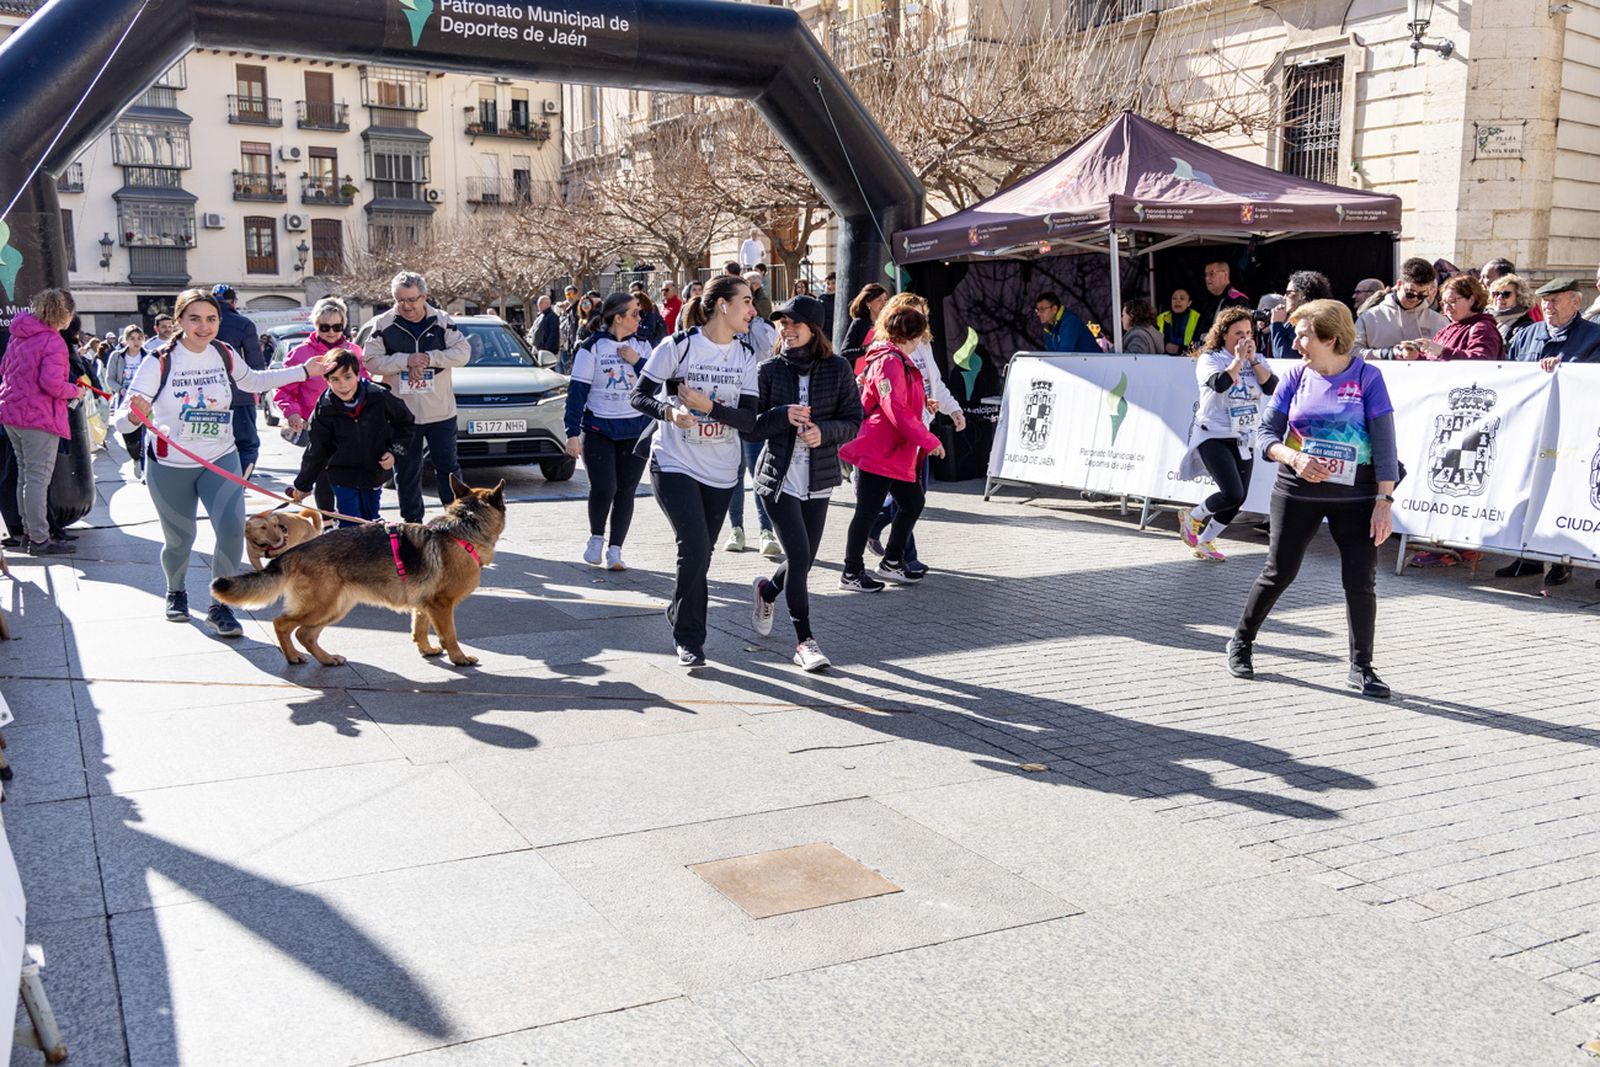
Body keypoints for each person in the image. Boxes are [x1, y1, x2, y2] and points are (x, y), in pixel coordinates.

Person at [116, 288, 329, 633]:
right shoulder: (159, 360)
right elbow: (122, 419)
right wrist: (134, 417)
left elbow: (256, 381)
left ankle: (221, 605)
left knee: (231, 533)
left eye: (211, 318)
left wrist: (304, 371)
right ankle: (176, 591)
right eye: (194, 319)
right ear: (179, 321)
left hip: (220, 457)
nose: (204, 326)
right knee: (179, 540)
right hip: (172, 465)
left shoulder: (223, 352)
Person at [1227, 299, 1398, 699]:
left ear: (1330, 338)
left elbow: (1386, 444)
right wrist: (1293, 457)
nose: (1296, 340)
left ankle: (1362, 667)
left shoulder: (1368, 377)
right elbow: (1265, 435)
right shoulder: (1294, 377)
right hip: (1297, 490)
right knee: (1279, 571)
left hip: (1354, 497)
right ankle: (1241, 641)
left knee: (1361, 580)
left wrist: (1383, 501)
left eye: (1303, 334)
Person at [630, 275, 762, 668]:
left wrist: (709, 407)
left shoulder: (745, 357)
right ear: (723, 305)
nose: (753, 310)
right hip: (675, 462)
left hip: (722, 469)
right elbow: (638, 395)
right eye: (746, 301)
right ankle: (690, 639)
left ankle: (677, 610)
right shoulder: (679, 346)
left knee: (702, 555)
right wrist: (668, 412)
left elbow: (750, 420)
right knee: (694, 547)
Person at [747, 294, 863, 671]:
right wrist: (783, 415)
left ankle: (767, 590)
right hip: (777, 478)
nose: (786, 330)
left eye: (794, 324)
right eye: (782, 324)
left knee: (805, 560)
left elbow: (853, 420)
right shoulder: (768, 370)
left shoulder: (838, 368)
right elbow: (753, 427)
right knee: (798, 557)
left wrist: (823, 432)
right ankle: (804, 642)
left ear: (813, 329)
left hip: (819, 476)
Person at [838, 301, 947, 591]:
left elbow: (896, 401)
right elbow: (894, 408)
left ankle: (891, 561)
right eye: (919, 338)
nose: (919, 344)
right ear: (910, 337)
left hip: (892, 450)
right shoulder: (890, 360)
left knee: (911, 502)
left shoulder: (894, 358)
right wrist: (929, 439)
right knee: (869, 511)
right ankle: (851, 571)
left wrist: (923, 403)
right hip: (880, 449)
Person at [1498, 278, 1600, 585]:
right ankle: (1527, 557)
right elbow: (1508, 371)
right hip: (1531, 428)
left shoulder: (1594, 336)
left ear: (1575, 302)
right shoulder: (1527, 334)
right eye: (1545, 301)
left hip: (1572, 432)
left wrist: (1566, 367)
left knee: (1566, 494)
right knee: (1528, 490)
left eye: (1555, 300)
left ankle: (1563, 560)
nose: (1548, 307)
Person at [864, 293, 965, 576]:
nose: (921, 322)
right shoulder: (887, 352)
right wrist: (925, 434)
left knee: (912, 498)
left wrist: (951, 409)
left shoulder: (924, 344)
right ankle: (901, 558)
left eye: (923, 315)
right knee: (909, 500)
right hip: (901, 437)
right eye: (915, 315)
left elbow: (933, 384)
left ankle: (881, 532)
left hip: (921, 430)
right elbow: (894, 402)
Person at [360, 271, 471, 524]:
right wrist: (405, 361)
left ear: (424, 297)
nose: (406, 306)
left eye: (412, 299)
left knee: (449, 471)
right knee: (407, 473)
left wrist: (430, 358)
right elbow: (371, 361)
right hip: (402, 415)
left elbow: (463, 353)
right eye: (400, 300)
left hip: (440, 412)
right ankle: (412, 526)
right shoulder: (383, 324)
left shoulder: (442, 321)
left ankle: (457, 523)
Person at [1177, 307, 1278, 562]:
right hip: (1213, 434)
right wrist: (1237, 360)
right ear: (1223, 334)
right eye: (1237, 334)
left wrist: (1253, 361)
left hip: (1244, 436)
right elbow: (1220, 383)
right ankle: (1194, 517)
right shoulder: (1210, 358)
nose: (1244, 339)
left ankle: (1205, 541)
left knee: (1238, 499)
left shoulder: (1257, 359)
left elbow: (1271, 387)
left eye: (1248, 333)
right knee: (1231, 492)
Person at [565, 291, 652, 570]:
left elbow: (657, 384)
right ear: (618, 318)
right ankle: (596, 538)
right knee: (605, 487)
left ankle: (616, 550)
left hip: (635, 430)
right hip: (599, 428)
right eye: (634, 313)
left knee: (626, 490)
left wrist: (636, 361)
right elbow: (577, 392)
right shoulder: (591, 347)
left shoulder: (644, 346)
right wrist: (572, 433)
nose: (640, 318)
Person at [287, 348, 412, 526]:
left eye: (347, 377)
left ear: (357, 374)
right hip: (341, 473)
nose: (343, 385)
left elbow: (406, 424)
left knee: (370, 521)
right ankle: (349, 550)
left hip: (374, 470)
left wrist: (394, 453)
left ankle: (369, 552)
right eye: (335, 379)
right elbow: (317, 449)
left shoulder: (379, 396)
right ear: (326, 380)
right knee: (351, 524)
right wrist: (303, 485)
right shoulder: (325, 408)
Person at [0, 289, 83, 556]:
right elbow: (52, 384)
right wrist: (75, 391)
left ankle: (28, 533)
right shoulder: (52, 341)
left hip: (12, 413)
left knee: (25, 476)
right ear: (64, 313)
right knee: (37, 479)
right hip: (39, 417)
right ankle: (39, 539)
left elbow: (5, 369)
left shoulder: (19, 334)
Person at [276, 298, 363, 515]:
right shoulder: (300, 354)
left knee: (349, 474)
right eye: (325, 327)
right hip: (318, 424)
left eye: (337, 327)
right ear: (315, 325)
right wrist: (292, 412)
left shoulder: (354, 351)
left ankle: (350, 520)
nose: (331, 332)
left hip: (351, 422)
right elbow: (285, 389)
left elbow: (365, 383)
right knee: (323, 472)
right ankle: (327, 520)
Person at [725, 293, 780, 556]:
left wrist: (755, 321)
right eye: (743, 305)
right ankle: (736, 528)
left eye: (750, 305)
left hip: (752, 412)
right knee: (733, 474)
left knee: (758, 472)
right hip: (726, 412)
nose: (747, 311)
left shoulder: (761, 328)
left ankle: (766, 531)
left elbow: (768, 348)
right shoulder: (722, 337)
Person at [210, 285, 267, 479]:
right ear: (234, 302)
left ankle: (216, 485)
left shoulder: (203, 325)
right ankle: (239, 484)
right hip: (240, 394)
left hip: (207, 397)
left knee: (212, 446)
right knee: (247, 445)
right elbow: (256, 365)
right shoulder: (244, 324)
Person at [1394, 273, 1502, 361]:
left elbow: (1483, 362)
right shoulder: (1446, 330)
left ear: (1471, 300)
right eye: (1444, 303)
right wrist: (1415, 356)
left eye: (1452, 301)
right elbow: (1435, 361)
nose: (1447, 307)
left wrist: (1442, 351)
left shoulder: (1482, 328)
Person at [1353, 258, 1446, 360]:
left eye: (1422, 295)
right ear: (1399, 284)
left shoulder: (1439, 321)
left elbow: (1450, 355)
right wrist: (1386, 354)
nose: (1415, 299)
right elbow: (1352, 352)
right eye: (1410, 293)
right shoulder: (1370, 317)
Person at [104, 323, 151, 477]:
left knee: (145, 435)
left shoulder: (149, 356)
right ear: (125, 340)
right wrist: (120, 389)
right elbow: (109, 378)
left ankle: (145, 468)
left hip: (145, 401)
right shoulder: (117, 357)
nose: (136, 341)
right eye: (132, 338)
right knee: (130, 436)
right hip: (125, 401)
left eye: (139, 338)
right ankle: (136, 458)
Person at [1268, 271, 1333, 359]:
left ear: (1304, 295)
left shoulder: (1312, 322)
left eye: (1289, 293)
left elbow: (1285, 357)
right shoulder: (1292, 320)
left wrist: (1276, 324)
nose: (1284, 297)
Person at [841, 283, 888, 369]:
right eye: (879, 300)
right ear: (868, 303)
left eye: (885, 299)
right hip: (859, 378)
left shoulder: (889, 324)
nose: (884, 303)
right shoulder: (859, 323)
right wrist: (866, 349)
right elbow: (844, 354)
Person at [1487, 274, 1537, 350]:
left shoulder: (1526, 327)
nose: (1499, 298)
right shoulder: (1485, 320)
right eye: (1496, 294)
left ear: (1519, 297)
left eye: (1506, 294)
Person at [1196, 260, 1251, 327]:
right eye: (1206, 275)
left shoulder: (1238, 300)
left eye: (1211, 273)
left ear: (1225, 274)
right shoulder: (1209, 303)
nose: (1207, 278)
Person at [1158, 289, 1202, 355]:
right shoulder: (1161, 318)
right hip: (1164, 359)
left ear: (1189, 303)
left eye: (1182, 299)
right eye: (1174, 298)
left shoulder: (1198, 318)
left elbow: (1201, 345)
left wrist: (1179, 349)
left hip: (1189, 359)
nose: (1177, 301)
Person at [821, 272, 838, 339]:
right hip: (825, 335)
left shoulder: (844, 299)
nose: (830, 286)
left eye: (833, 283)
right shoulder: (821, 300)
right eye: (828, 283)